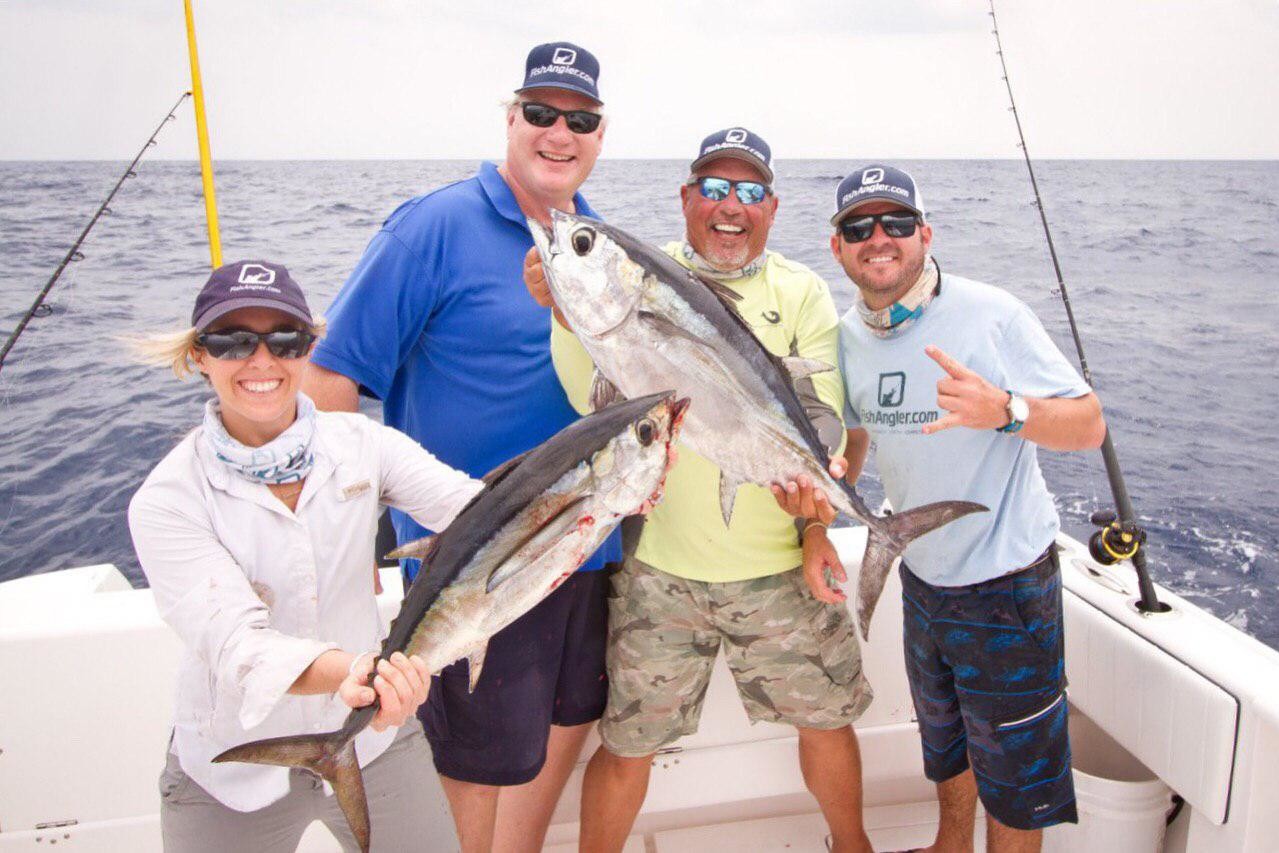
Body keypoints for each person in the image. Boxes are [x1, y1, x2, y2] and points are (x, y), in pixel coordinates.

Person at [301, 42, 619, 853]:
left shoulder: (594, 244)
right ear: (509, 121)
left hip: (591, 549)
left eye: (578, 119)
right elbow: (329, 381)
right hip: (474, 562)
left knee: (569, 718)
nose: (559, 132)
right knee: (476, 760)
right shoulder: (432, 227)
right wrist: (323, 536)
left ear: (599, 134)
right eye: (540, 113)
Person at [526, 129, 876, 853]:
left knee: (826, 721)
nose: (730, 207)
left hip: (777, 564)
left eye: (749, 192)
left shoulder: (801, 290)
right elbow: (591, 398)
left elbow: (824, 419)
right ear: (685, 199)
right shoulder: (640, 277)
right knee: (625, 744)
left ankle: (854, 847)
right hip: (659, 569)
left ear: (772, 208)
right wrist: (565, 310)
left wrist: (815, 524)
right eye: (713, 189)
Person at [774, 164, 1107, 853]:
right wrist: (828, 489)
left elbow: (1088, 423)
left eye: (895, 222)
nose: (878, 238)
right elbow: (858, 434)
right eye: (857, 226)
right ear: (836, 247)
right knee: (945, 741)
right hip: (921, 577)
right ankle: (947, 846)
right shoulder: (845, 339)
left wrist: (1007, 410)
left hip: (1006, 584)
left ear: (924, 234)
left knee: (1013, 778)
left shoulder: (993, 314)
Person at [128, 260, 483, 852]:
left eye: (285, 339)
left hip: (374, 736)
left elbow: (475, 513)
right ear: (199, 356)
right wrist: (355, 672)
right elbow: (240, 648)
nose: (262, 360)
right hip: (231, 762)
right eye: (233, 340)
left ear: (310, 347)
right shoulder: (169, 499)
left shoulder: (365, 445)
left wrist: (602, 488)